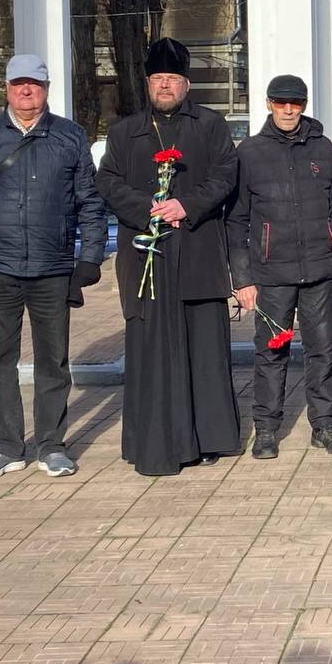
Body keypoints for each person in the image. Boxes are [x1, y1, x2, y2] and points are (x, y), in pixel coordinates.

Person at [0, 54, 107, 479]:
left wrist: (90, 257)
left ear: (46, 89)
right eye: (18, 83)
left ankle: (51, 446)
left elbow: (90, 203)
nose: (26, 90)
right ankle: (6, 447)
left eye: (34, 84)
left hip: (51, 268)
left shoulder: (70, 136)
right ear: (6, 88)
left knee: (53, 361)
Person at [96, 38, 242, 476]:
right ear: (147, 83)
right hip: (148, 258)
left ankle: (208, 438)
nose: (165, 86)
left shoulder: (210, 125)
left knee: (204, 350)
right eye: (158, 78)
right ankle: (154, 441)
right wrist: (149, 208)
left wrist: (186, 205)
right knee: (152, 353)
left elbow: (226, 176)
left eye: (173, 79)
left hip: (197, 251)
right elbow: (108, 182)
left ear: (186, 84)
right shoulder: (124, 132)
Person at [226, 74, 332, 460]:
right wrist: (243, 279)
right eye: (281, 102)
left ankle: (325, 425)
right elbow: (236, 219)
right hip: (272, 274)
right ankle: (266, 429)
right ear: (269, 104)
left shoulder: (324, 148)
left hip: (319, 270)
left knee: (323, 351)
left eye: (295, 102)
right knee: (270, 352)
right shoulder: (250, 152)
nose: (288, 109)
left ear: (304, 105)